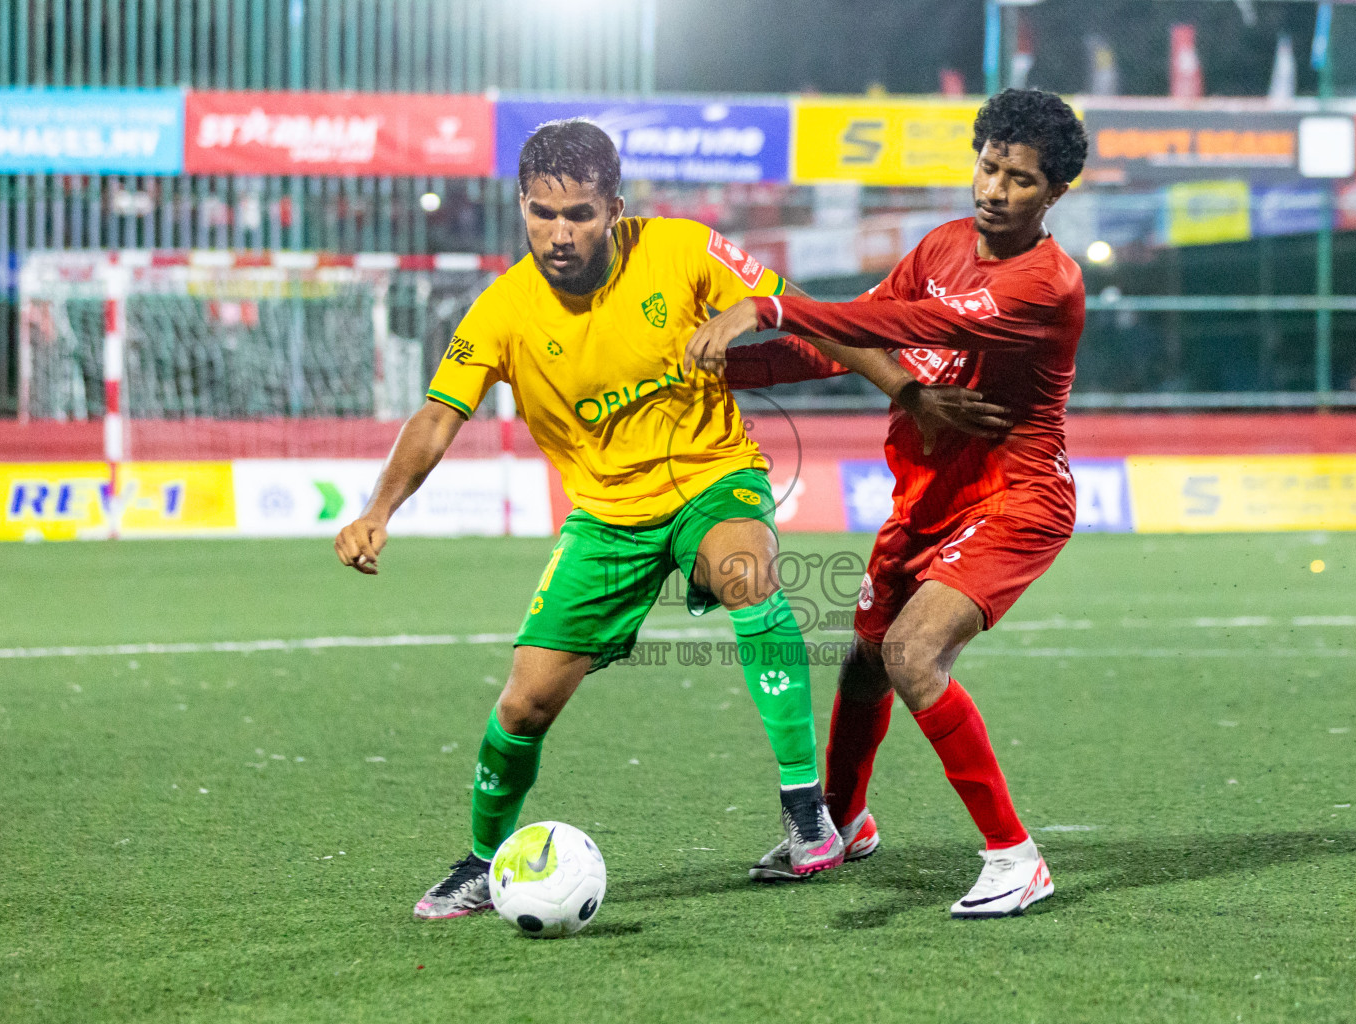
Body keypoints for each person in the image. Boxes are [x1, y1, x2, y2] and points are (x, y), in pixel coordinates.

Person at [332, 119, 992, 920]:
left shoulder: (683, 251)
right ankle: (482, 858)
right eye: (542, 213)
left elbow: (806, 315)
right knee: (522, 706)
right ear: (521, 206)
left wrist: (910, 394)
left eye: (578, 213)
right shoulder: (500, 313)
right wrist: (378, 509)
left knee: (748, 574)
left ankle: (805, 810)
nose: (559, 233)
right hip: (609, 519)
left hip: (714, 478)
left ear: (614, 206)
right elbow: (439, 416)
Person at [689, 89, 1088, 919]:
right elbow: (855, 338)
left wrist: (767, 302)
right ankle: (841, 822)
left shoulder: (1046, 286)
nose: (995, 189)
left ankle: (1016, 857)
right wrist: (733, 370)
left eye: (1020, 180)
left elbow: (899, 318)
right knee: (865, 663)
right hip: (925, 497)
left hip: (1016, 498)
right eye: (988, 166)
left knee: (910, 655)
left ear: (1055, 194)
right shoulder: (941, 245)